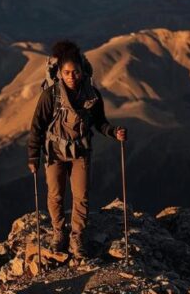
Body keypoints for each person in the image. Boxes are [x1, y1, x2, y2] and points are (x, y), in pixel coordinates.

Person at [27, 40, 127, 260]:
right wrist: (33, 156)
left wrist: (114, 132)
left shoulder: (92, 95)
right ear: (60, 73)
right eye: (67, 72)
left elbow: (100, 122)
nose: (72, 76)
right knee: (56, 196)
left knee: (80, 196)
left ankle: (77, 237)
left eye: (75, 72)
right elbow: (37, 126)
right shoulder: (50, 95)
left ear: (83, 71)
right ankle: (58, 233)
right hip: (54, 152)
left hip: (81, 152)